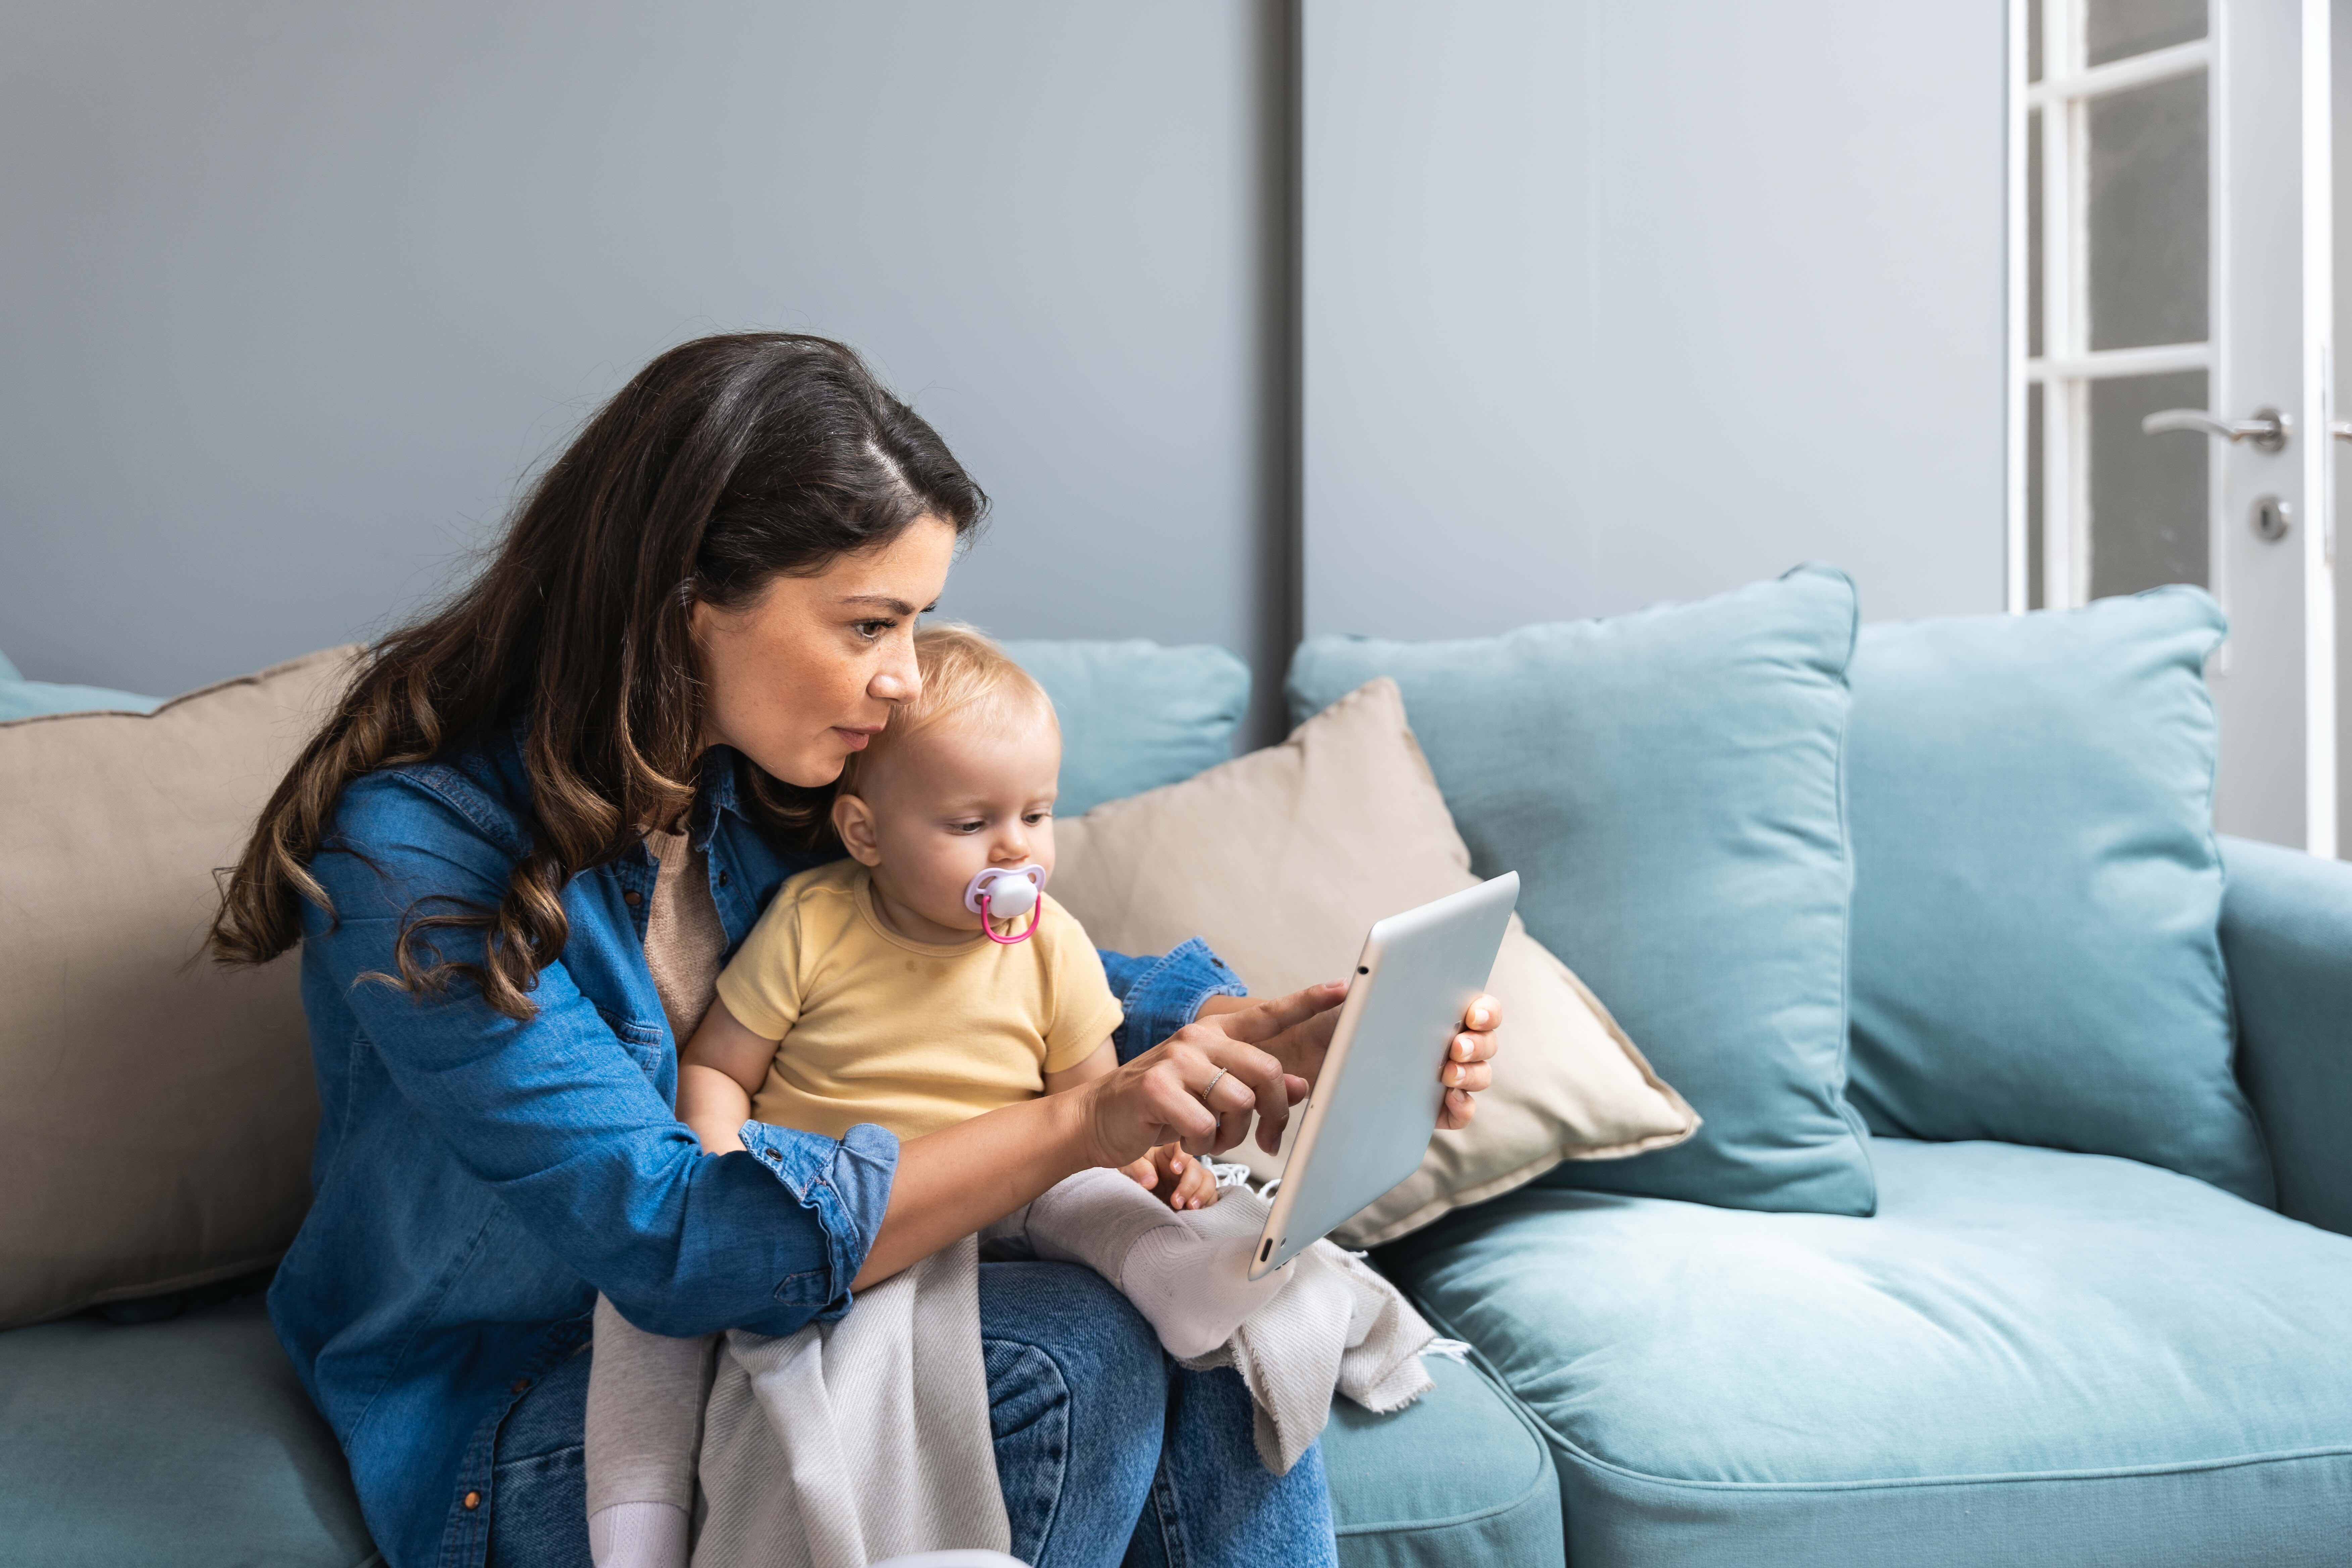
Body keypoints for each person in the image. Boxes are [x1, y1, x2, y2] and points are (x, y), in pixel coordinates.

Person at [208, 332, 1501, 1568]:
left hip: (805, 1319)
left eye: (916, 624)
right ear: (685, 604)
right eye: (869, 625)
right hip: (541, 1398)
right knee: (1078, 1354)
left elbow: (991, 957)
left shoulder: (750, 780)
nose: (904, 679)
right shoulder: (416, 858)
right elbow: (674, 1239)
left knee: (1221, 1321)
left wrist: (1256, 1030)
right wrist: (1084, 1123)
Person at [585, 623, 1319, 1568]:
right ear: (865, 832)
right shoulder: (813, 923)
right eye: (971, 825)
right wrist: (721, 1155)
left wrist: (1155, 1166)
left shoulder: (1052, 939)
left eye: (1037, 816)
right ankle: (635, 1525)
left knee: (1089, 1196)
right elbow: (722, 1066)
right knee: (645, 1309)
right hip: (832, 1202)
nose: (1014, 853)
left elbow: (1096, 1100)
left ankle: (1180, 1281)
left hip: (1012, 1189)